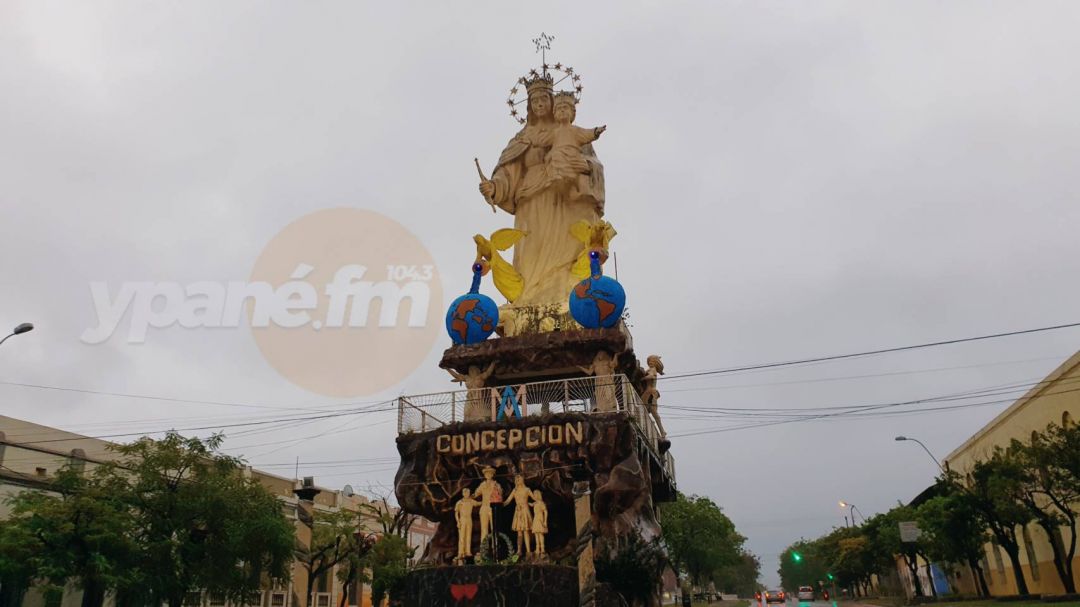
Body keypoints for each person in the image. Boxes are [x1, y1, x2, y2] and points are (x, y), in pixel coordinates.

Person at [478, 77, 605, 307]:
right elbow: (508, 172)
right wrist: (494, 187)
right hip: (532, 200)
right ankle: (528, 303)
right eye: (534, 101)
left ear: (552, 101)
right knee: (532, 255)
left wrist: (584, 167)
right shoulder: (522, 138)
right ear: (528, 106)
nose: (539, 105)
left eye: (543, 99)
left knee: (567, 252)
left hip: (564, 199)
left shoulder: (570, 132)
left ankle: (570, 299)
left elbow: (593, 164)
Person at [474, 466, 502, 546]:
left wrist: (497, 491)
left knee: (495, 529)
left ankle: (495, 549)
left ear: (492, 474)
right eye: (486, 473)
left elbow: (500, 495)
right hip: (484, 508)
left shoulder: (496, 484)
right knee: (484, 530)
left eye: (489, 473)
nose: (488, 474)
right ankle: (484, 550)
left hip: (493, 508)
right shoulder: (482, 484)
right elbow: (476, 494)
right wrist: (467, 497)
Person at [508, 474, 534, 555]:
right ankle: (519, 550)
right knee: (519, 532)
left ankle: (528, 551)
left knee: (526, 531)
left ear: (522, 480)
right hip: (518, 511)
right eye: (516, 479)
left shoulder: (527, 489)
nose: (518, 481)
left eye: (519, 479)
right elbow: (508, 500)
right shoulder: (514, 490)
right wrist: (497, 504)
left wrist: (538, 502)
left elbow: (534, 498)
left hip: (525, 510)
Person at [454, 488, 479, 561]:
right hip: (462, 519)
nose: (467, 494)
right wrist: (458, 521)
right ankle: (461, 552)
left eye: (468, 493)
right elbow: (456, 513)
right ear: (463, 494)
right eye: (466, 493)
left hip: (469, 519)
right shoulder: (459, 502)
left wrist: (486, 501)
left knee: (468, 535)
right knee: (462, 537)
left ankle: (468, 551)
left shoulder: (471, 501)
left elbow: (477, 503)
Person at [530, 489, 548, 556]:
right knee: (536, 534)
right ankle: (537, 548)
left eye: (534, 495)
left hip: (540, 518)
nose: (533, 496)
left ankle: (542, 548)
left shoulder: (541, 503)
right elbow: (531, 504)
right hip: (536, 519)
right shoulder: (535, 503)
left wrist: (545, 521)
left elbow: (545, 511)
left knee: (540, 534)